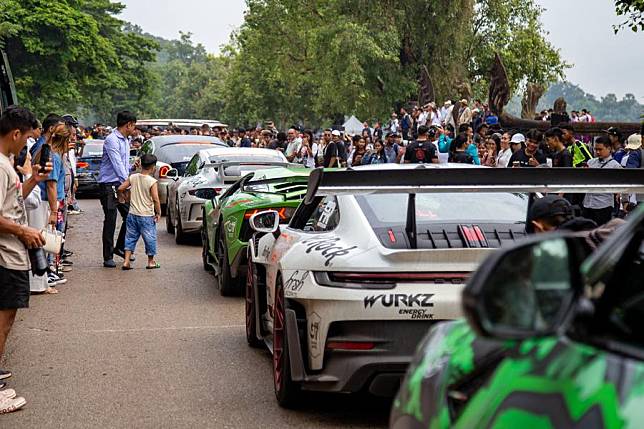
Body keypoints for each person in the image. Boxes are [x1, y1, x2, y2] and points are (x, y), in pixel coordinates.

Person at [0, 106, 53, 413]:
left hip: (13, 253)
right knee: (3, 320)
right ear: (15, 133)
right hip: (6, 255)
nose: (27, 147)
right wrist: (22, 230)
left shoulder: (8, 163)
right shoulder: (1, 165)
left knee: (7, 319)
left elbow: (13, 200)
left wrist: (34, 179)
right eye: (27, 138)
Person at [98, 111, 137, 268]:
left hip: (121, 183)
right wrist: (127, 183)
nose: (134, 129)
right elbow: (116, 164)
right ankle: (107, 256)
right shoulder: (111, 140)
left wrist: (131, 167)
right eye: (133, 126)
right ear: (128, 124)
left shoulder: (126, 140)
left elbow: (123, 164)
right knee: (111, 220)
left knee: (130, 216)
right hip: (109, 185)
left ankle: (120, 247)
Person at [118, 154, 161, 270]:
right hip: (146, 215)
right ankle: (151, 261)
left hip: (132, 214)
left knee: (130, 238)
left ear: (141, 165)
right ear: (153, 167)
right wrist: (158, 212)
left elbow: (120, 188)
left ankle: (126, 261)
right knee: (150, 238)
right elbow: (156, 199)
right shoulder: (152, 181)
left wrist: (124, 198)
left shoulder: (133, 177)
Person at [581, 137, 622, 226]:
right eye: (596, 149)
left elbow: (622, 185)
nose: (598, 152)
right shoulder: (590, 162)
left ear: (609, 149)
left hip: (603, 205)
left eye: (600, 149)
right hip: (587, 204)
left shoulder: (615, 166)